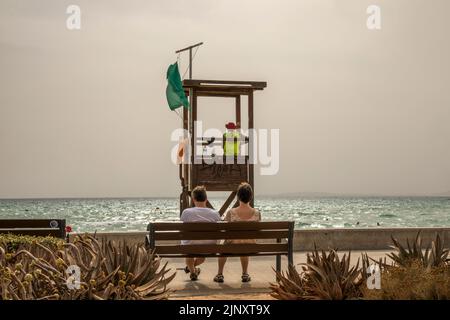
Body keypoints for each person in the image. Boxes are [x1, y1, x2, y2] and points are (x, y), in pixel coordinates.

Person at [214, 182, 261, 283]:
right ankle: (245, 273)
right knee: (245, 241)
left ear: (238, 197)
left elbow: (225, 231)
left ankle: (220, 274)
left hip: (233, 246)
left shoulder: (231, 212)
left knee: (224, 246)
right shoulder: (257, 213)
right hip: (251, 246)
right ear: (251, 197)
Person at [180, 185, 221, 281]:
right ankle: (192, 270)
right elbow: (220, 230)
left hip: (189, 246)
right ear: (206, 199)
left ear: (193, 199)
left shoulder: (186, 212)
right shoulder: (214, 213)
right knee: (201, 257)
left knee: (189, 251)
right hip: (209, 247)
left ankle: (192, 271)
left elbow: (182, 229)